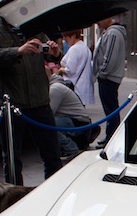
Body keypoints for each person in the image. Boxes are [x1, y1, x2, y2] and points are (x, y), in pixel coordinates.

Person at [0, 0, 63, 184]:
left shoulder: (34, 23)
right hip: (11, 104)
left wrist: (53, 54)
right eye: (12, 1)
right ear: (1, 2)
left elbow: (48, 53)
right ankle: (14, 203)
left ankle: (53, 198)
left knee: (52, 155)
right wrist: (18, 51)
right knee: (11, 160)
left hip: (39, 101)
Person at [48, 65, 96, 160]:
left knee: (48, 124)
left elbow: (49, 113)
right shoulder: (57, 86)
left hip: (79, 123)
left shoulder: (55, 89)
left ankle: (71, 149)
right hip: (79, 121)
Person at [93, 14, 126, 144]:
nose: (97, 23)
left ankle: (111, 138)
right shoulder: (110, 33)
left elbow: (110, 57)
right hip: (108, 76)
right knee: (110, 109)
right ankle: (110, 136)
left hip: (109, 77)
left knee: (111, 109)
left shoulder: (113, 33)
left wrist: (102, 72)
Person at [58, 28, 93, 105]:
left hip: (75, 88)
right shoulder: (85, 48)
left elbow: (70, 70)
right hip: (83, 88)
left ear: (73, 36)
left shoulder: (74, 49)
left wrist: (61, 70)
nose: (64, 40)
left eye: (66, 37)